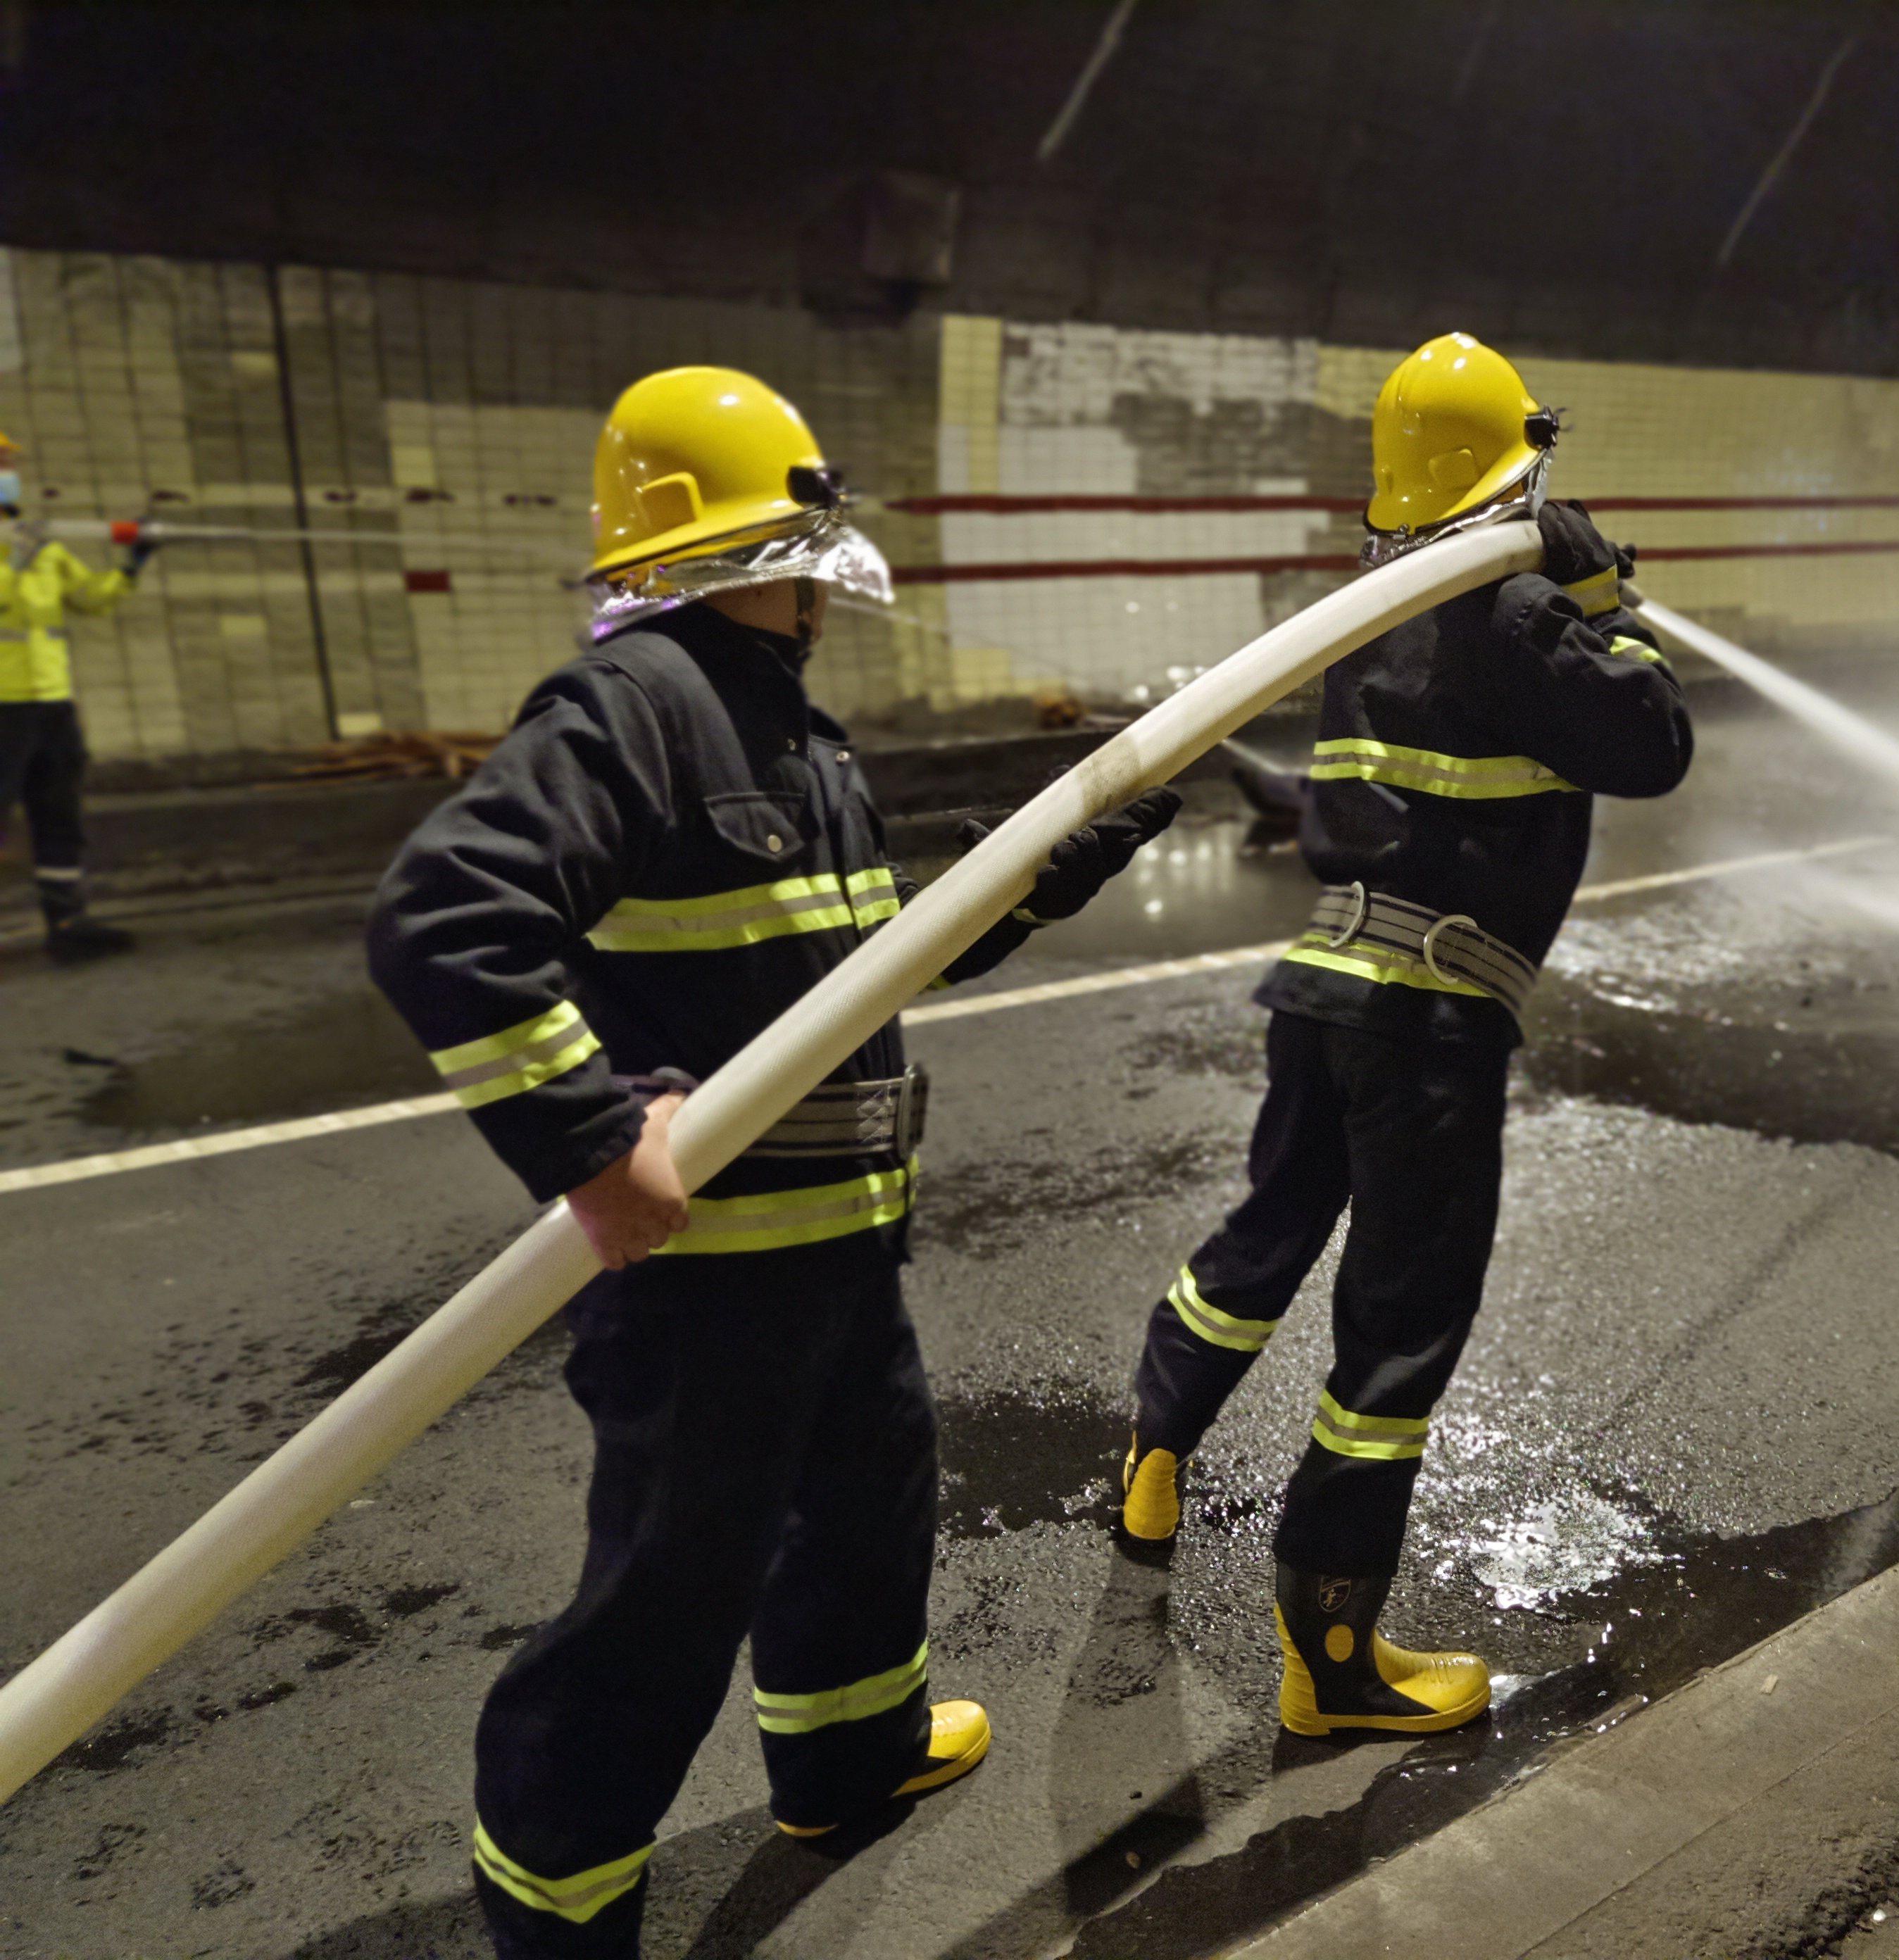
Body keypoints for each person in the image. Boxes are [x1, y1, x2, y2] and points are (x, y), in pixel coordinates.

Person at [367, 367, 1180, 1959]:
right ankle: (556, 1897)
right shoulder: (642, 705)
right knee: (664, 1605)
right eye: (805, 540)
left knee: (867, 1516)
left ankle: (848, 1757)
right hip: (707, 1284)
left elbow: (873, 966)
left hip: (832, 1259)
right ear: (757, 545)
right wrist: (591, 1142)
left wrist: (1075, 840)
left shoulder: (782, 728)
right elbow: (444, 920)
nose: (823, 573)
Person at [1115, 332, 1693, 1735]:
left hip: (1322, 986)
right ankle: (1330, 1658)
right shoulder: (1511, 620)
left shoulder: (1366, 608)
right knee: (1396, 1337)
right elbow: (1653, 741)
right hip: (1426, 1025)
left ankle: (1153, 1456)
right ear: (1521, 470)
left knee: (1263, 1237)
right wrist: (1604, 594)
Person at [0, 427, 156, 960]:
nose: (7, 473)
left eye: (8, 463)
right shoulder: (24, 546)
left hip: (51, 702)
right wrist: (13, 562)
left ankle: (66, 924)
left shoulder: (38, 540)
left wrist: (132, 565)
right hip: (3, 706)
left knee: (58, 811)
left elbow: (90, 598)